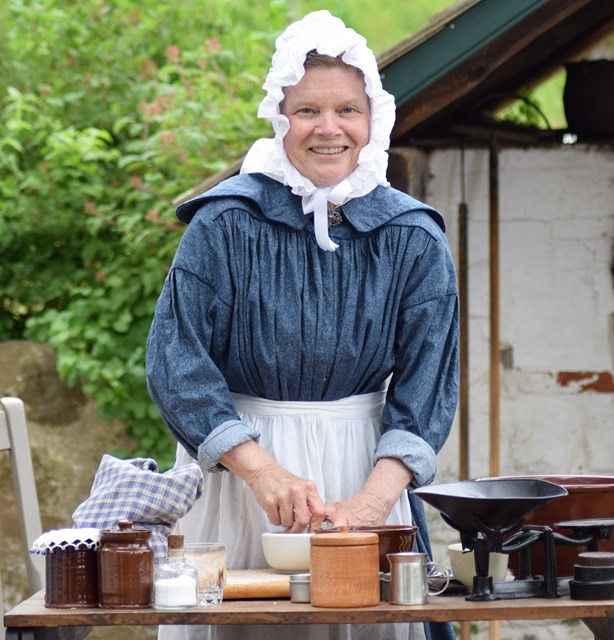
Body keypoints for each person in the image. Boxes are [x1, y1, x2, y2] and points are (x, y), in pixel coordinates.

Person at [146, 10, 459, 640]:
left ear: (375, 120)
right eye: (308, 109)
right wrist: (262, 472)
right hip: (239, 473)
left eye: (348, 110)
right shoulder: (225, 224)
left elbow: (427, 385)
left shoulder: (413, 238)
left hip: (362, 471)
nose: (329, 128)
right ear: (278, 114)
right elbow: (176, 363)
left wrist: (371, 505)